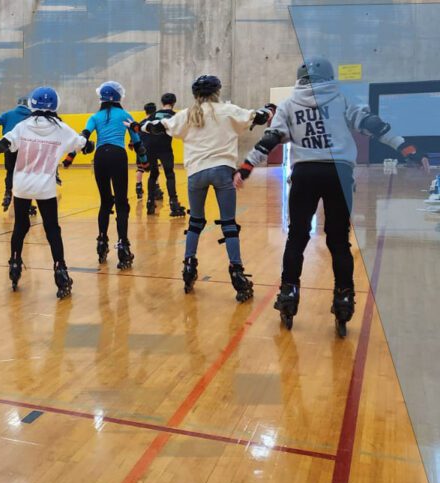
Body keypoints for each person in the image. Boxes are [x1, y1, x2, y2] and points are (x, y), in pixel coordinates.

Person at [243, 57, 420, 336]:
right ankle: (344, 297)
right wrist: (405, 148)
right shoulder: (341, 98)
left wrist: (247, 165)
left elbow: (272, 138)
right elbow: (373, 125)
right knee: (339, 241)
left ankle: (289, 293)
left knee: (297, 237)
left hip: (305, 174)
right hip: (339, 173)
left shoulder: (289, 103)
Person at [140, 75, 272, 305]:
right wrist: (270, 109)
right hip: (223, 171)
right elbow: (258, 117)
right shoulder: (228, 110)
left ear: (195, 96)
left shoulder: (186, 115)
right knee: (229, 225)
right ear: (217, 92)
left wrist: (141, 125)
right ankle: (237, 275)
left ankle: (189, 268)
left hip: (196, 173)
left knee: (196, 223)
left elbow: (153, 127)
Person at [0, 87, 91, 298]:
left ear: (32, 104)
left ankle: (15, 263)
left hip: (22, 185)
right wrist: (86, 140)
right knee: (52, 228)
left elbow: (4, 143)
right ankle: (60, 270)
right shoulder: (62, 128)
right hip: (45, 187)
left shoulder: (23, 125)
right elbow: (84, 145)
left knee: (21, 225)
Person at [81, 81, 140, 269]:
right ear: (118, 97)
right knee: (122, 202)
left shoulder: (95, 116)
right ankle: (123, 245)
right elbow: (137, 140)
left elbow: (85, 135)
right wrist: (144, 158)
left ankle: (102, 242)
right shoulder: (124, 114)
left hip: (100, 157)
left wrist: (78, 149)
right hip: (118, 155)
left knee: (105, 202)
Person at [139, 94, 187, 216]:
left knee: (153, 174)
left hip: (150, 146)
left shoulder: (155, 114)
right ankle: (173, 203)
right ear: (174, 102)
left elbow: (145, 126)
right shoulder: (176, 115)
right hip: (165, 147)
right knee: (169, 174)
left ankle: (150, 202)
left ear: (161, 102)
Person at [0, 97, 34, 209]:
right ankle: (26, 202)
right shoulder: (32, 116)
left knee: (10, 171)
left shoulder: (8, 114)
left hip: (9, 147)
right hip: (26, 148)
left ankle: (8, 194)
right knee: (25, 174)